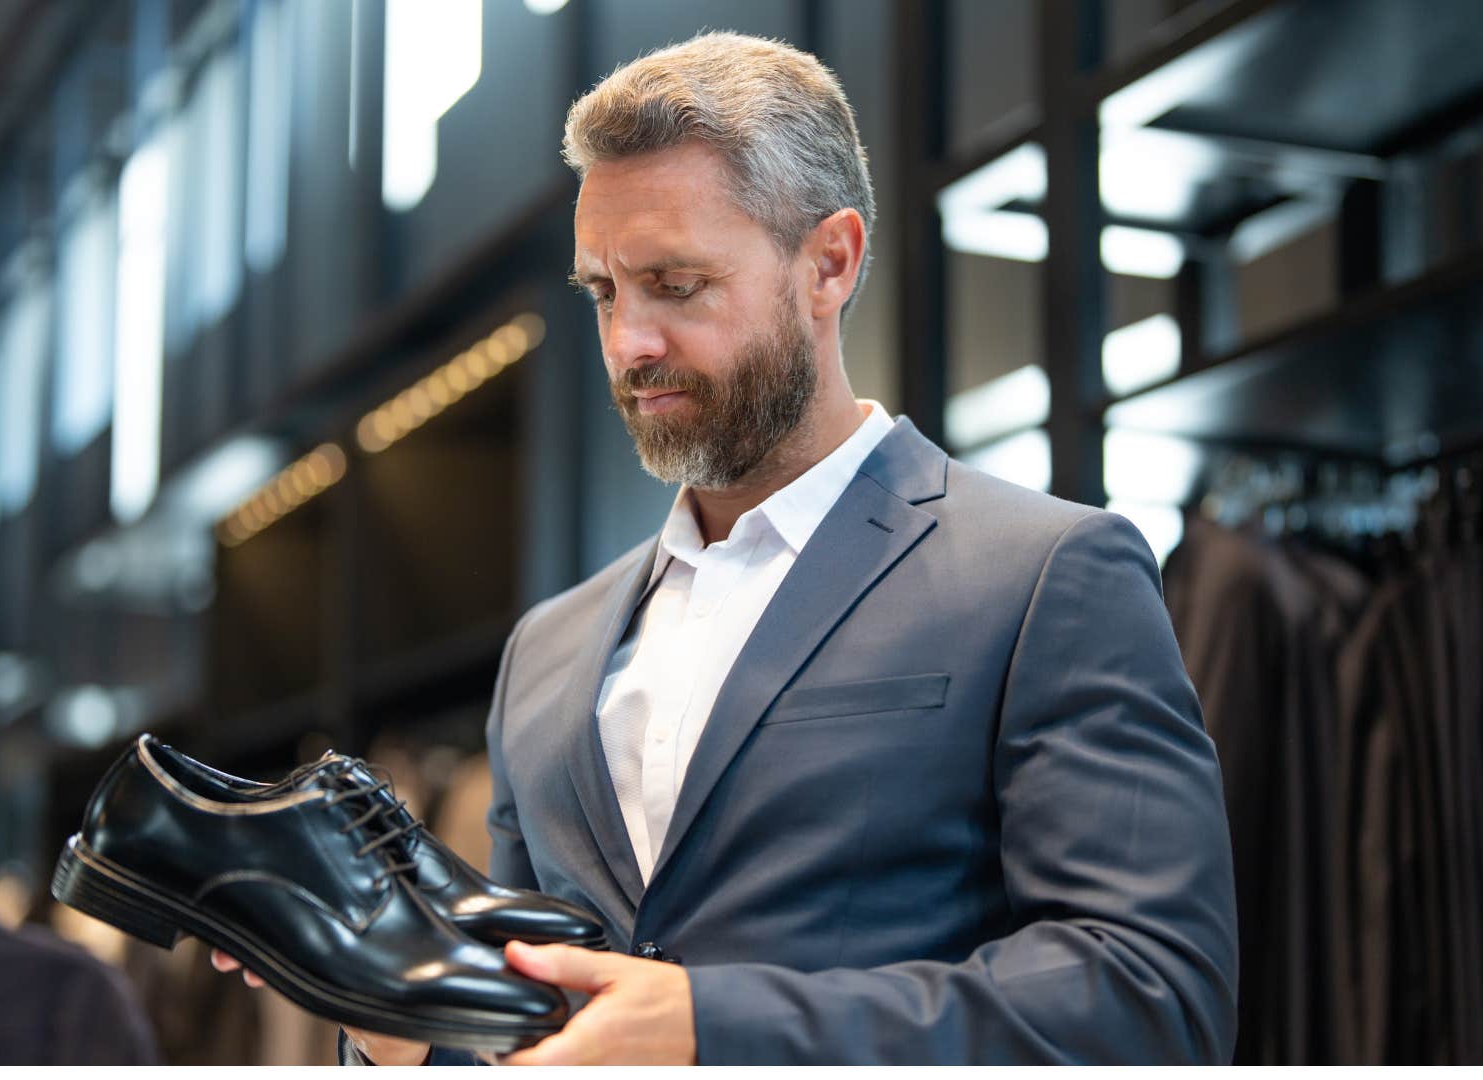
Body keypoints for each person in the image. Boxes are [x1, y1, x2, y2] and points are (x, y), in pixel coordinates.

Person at [219, 30, 1238, 1065]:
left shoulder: (1044, 575)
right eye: (604, 293)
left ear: (829, 263)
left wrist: (714, 1028)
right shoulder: (548, 652)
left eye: (676, 283)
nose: (629, 344)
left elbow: (1150, 997)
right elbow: (529, 1024)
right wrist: (397, 1023)